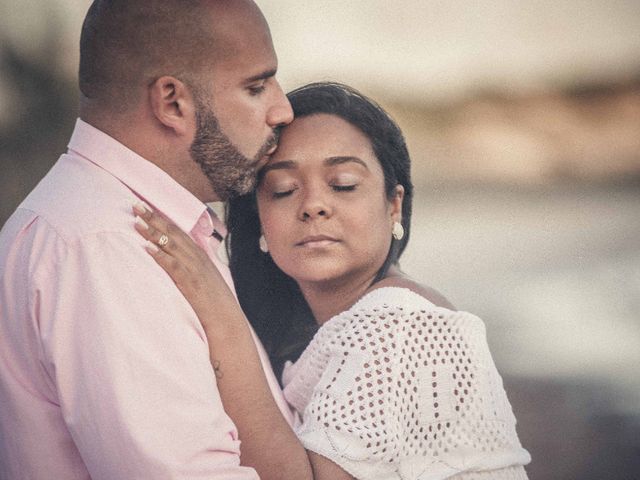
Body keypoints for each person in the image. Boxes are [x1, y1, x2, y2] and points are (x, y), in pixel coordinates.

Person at [133, 82, 532, 480]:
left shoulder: (398, 323)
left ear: (394, 205)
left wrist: (219, 314)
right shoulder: (345, 326)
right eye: (283, 190)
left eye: (342, 183)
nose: (313, 206)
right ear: (259, 221)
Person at [0, 1, 299, 478]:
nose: (282, 109)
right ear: (172, 103)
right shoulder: (107, 247)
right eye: (256, 86)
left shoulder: (117, 227)